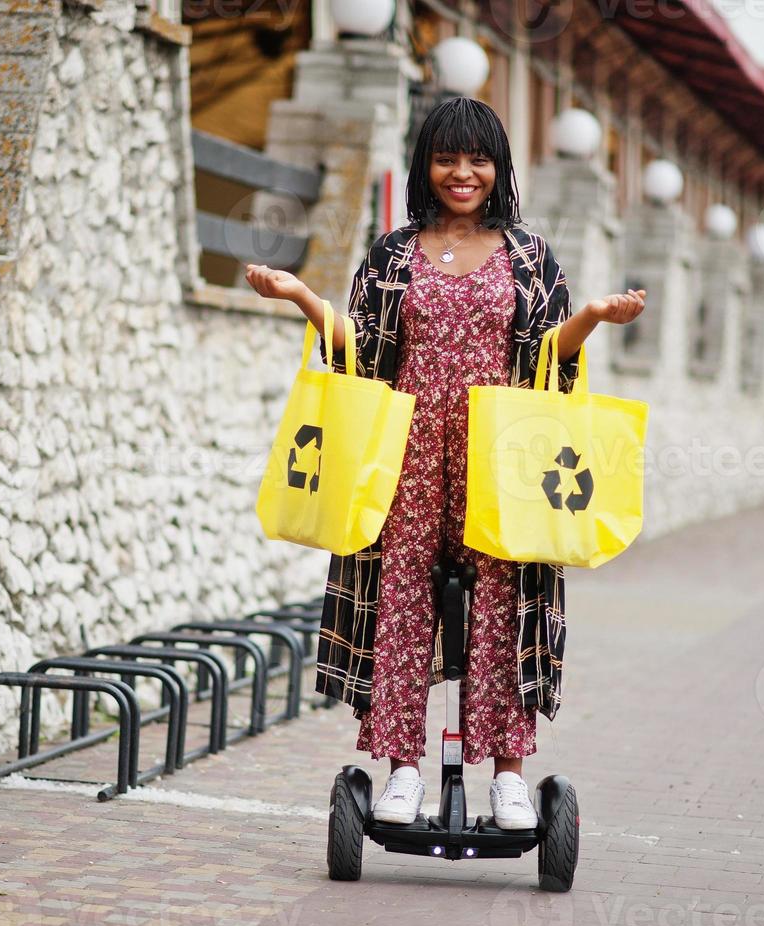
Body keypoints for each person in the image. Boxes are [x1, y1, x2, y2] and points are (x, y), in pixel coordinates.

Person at [245, 96, 644, 830]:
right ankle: (400, 771)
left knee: (502, 607)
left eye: (477, 159)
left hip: (502, 459)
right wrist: (300, 295)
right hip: (406, 457)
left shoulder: (527, 254)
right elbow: (361, 354)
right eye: (446, 158)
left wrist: (591, 316)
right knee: (398, 605)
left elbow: (545, 358)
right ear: (424, 165)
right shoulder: (392, 253)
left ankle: (509, 778)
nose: (462, 173)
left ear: (498, 168)